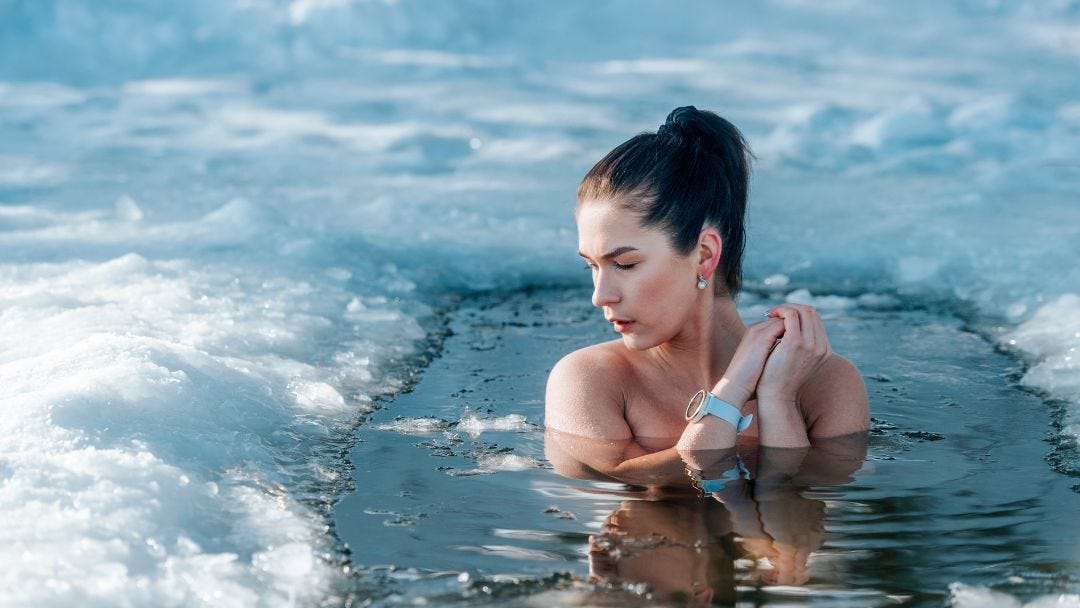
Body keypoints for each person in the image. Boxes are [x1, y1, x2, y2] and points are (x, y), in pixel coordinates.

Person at [544, 105, 869, 480]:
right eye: (592, 266)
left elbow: (792, 533)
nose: (599, 296)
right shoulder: (591, 379)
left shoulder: (827, 384)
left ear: (704, 255)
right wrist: (733, 391)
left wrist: (778, 398)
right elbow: (633, 494)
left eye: (625, 265)